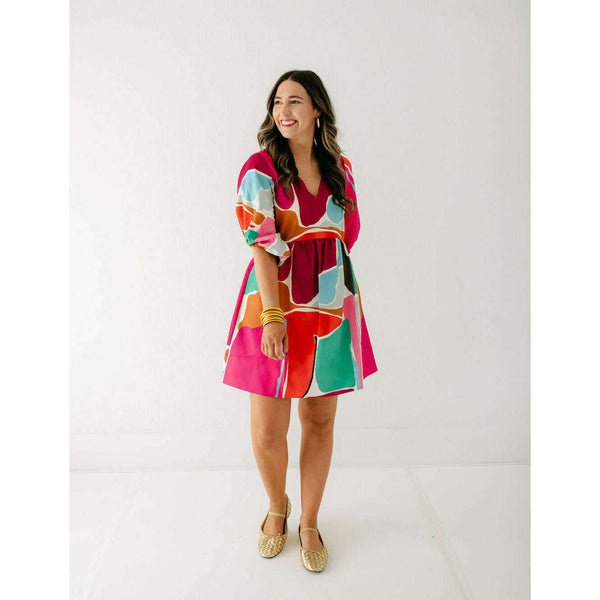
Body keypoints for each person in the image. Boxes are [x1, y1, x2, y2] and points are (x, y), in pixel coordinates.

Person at [221, 70, 378, 572]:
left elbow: (346, 236)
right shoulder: (260, 168)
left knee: (319, 420)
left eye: (295, 101)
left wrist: (327, 287)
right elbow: (261, 245)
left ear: (317, 110)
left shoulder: (340, 168)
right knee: (270, 429)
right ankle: (277, 506)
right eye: (277, 102)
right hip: (274, 303)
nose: (283, 111)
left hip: (329, 303)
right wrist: (273, 316)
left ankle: (309, 520)